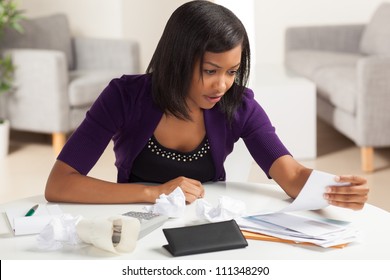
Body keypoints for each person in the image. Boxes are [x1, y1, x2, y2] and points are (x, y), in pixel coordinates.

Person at [45, 0, 368, 210]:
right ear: (178, 60)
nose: (222, 85)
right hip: (137, 220)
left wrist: (335, 189)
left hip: (205, 224)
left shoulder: (239, 105)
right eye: (210, 71)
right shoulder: (125, 96)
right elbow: (60, 183)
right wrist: (153, 193)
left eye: (231, 72)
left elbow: (292, 174)